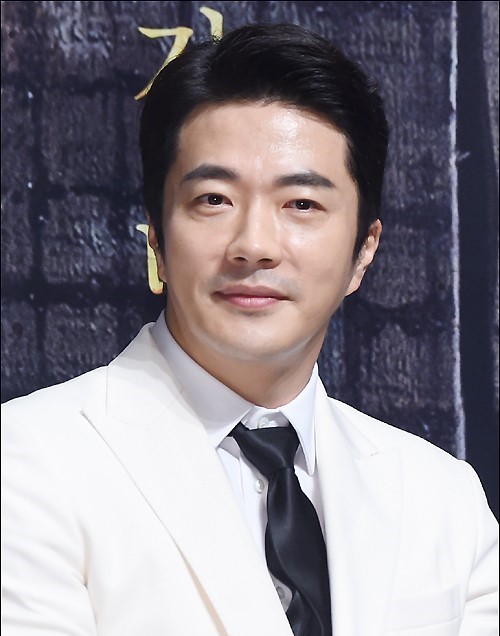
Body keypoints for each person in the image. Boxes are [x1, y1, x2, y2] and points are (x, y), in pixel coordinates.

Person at [1, 23, 498, 636]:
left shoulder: (443, 498)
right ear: (156, 236)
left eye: (302, 204)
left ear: (363, 252)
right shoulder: (28, 462)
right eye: (214, 199)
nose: (254, 244)